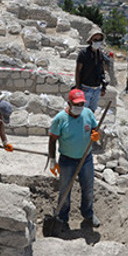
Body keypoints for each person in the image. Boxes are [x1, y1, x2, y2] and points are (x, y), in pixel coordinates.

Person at [47, 89, 101, 229]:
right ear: (69, 103)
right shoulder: (60, 119)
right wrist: (52, 160)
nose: (79, 107)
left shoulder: (88, 113)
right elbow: (52, 140)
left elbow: (96, 129)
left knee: (88, 188)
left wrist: (96, 135)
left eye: (82, 103)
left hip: (86, 159)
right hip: (67, 160)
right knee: (65, 190)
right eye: (76, 104)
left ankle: (88, 214)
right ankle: (63, 218)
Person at [75, 30, 107, 113]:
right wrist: (78, 88)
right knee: (83, 111)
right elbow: (78, 71)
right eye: (95, 40)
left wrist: (103, 87)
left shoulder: (100, 54)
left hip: (96, 89)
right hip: (85, 87)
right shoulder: (83, 53)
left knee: (92, 111)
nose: (97, 42)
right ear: (91, 40)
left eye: (99, 40)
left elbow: (101, 70)